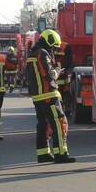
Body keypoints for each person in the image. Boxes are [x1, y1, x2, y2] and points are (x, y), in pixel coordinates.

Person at [26, 29, 76, 164]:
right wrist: (58, 71)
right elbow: (49, 75)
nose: (54, 50)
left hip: (38, 97)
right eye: (54, 47)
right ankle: (61, 154)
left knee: (43, 124)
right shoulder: (42, 54)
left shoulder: (31, 54)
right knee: (60, 123)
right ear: (49, 42)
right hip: (49, 95)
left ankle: (43, 154)